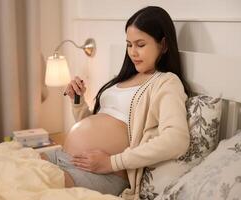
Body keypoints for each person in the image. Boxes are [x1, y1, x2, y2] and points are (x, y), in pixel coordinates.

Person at [41, 6, 190, 199]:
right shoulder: (121, 79)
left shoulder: (166, 82)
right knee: (13, 171)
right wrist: (77, 102)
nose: (132, 52)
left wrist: (112, 163)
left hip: (102, 174)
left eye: (140, 44)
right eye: (129, 44)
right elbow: (95, 123)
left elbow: (177, 140)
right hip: (64, 156)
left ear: (163, 45)